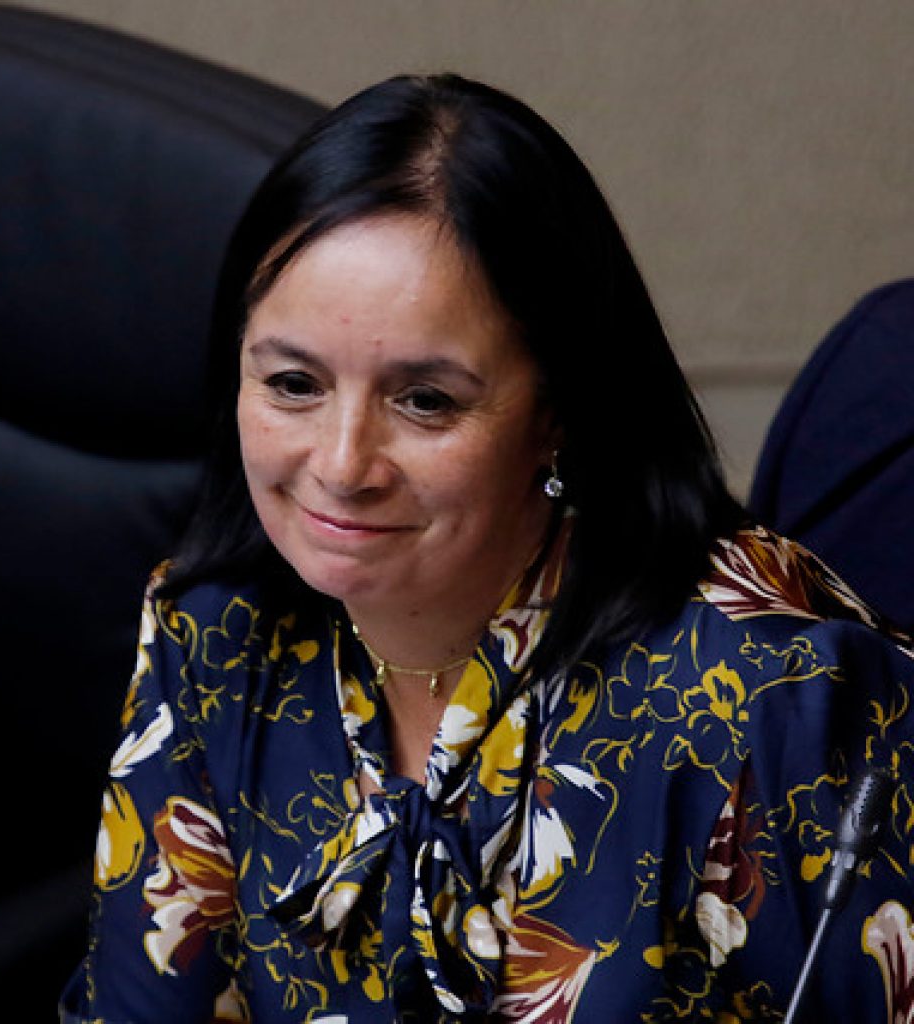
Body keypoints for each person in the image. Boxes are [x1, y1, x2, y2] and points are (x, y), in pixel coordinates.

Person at [60, 73, 914, 1023]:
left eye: (426, 401)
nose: (341, 465)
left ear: (559, 413)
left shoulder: (772, 701)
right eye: (294, 384)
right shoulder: (214, 633)